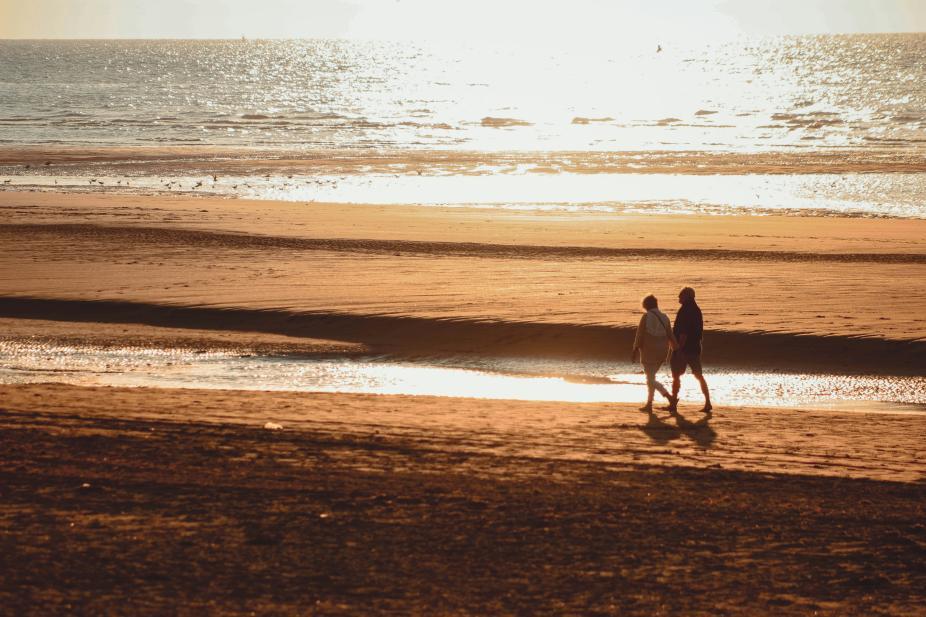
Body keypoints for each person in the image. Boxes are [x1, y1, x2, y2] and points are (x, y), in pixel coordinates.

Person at [631, 294, 678, 413]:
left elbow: (639, 334)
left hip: (649, 352)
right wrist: (675, 349)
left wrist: (635, 350)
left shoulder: (646, 317)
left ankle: (669, 397)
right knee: (651, 378)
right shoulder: (665, 317)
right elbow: (670, 335)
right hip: (662, 352)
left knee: (650, 380)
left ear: (646, 305)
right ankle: (649, 404)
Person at [669, 287, 712, 414]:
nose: (679, 297)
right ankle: (708, 402)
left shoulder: (685, 311)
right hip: (695, 347)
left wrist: (678, 349)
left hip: (684, 348)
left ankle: (673, 403)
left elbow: (683, 332)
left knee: (676, 375)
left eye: (680, 295)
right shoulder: (697, 310)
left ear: (686, 297)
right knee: (698, 375)